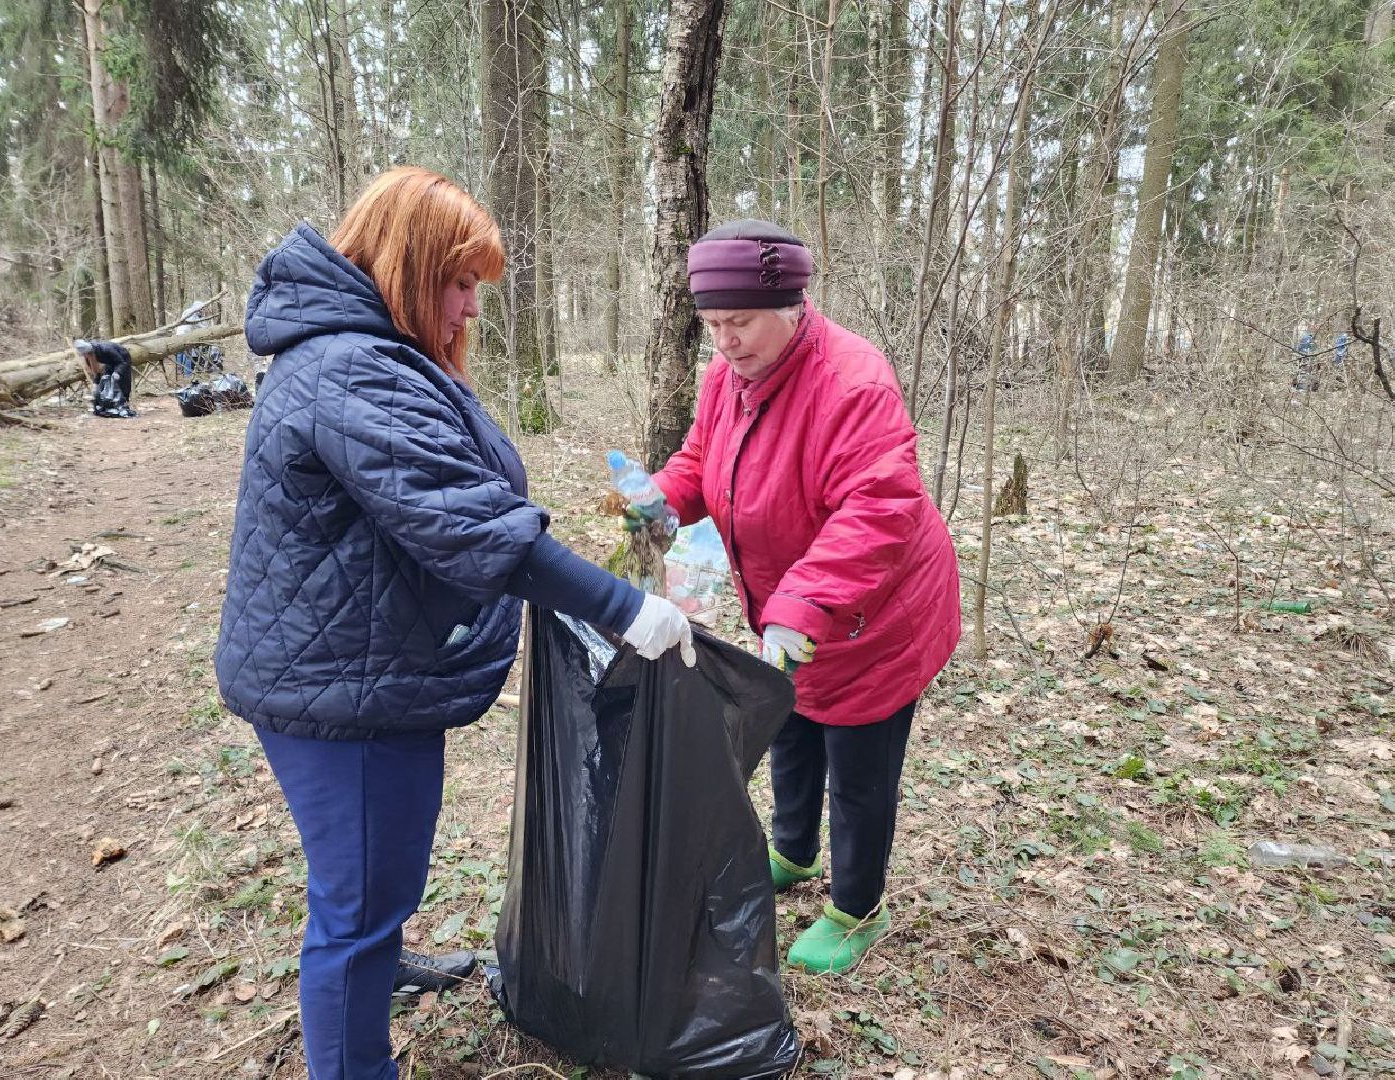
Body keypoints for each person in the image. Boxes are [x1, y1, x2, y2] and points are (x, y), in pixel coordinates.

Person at [214, 167, 694, 1080]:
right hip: (341, 693)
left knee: (370, 884)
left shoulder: (360, 352)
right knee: (352, 912)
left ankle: (383, 956)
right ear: (407, 265)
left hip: (355, 662)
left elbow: (454, 497)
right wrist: (628, 607)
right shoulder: (350, 367)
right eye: (460, 282)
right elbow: (479, 530)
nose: (472, 307)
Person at [626, 220, 961, 975]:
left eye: (738, 322)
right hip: (793, 609)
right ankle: (794, 852)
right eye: (712, 325)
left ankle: (856, 908)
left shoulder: (853, 383)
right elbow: (704, 457)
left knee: (858, 763)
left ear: (790, 304)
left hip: (878, 616)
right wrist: (664, 499)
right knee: (791, 727)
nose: (725, 342)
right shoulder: (728, 380)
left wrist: (802, 602)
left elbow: (877, 508)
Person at [73, 337, 135, 417]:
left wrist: (117, 372)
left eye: (86, 355)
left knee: (122, 381)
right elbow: (96, 371)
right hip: (109, 362)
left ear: (90, 352)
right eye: (84, 355)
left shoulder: (106, 349)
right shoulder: (88, 356)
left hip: (123, 358)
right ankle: (110, 405)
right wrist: (96, 383)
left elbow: (121, 362)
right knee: (106, 380)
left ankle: (123, 404)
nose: (85, 356)